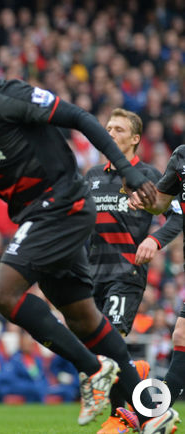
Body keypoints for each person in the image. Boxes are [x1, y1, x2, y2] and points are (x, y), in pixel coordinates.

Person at [0, 38, 178, 433]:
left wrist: (128, 171)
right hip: (39, 216)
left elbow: (80, 117)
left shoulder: (6, 97)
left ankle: (94, 370)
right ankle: (152, 413)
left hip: (62, 204)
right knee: (84, 319)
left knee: (2, 293)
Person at [86, 108, 182, 434]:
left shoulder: (149, 175)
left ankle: (124, 417)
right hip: (93, 274)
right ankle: (134, 373)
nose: (110, 134)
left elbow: (177, 215)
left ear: (135, 139)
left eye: (118, 129)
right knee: (100, 352)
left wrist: (154, 240)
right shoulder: (92, 176)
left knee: (110, 341)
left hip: (126, 272)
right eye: (108, 128)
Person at [128, 143, 185, 431]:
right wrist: (145, 200)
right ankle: (151, 415)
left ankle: (149, 414)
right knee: (182, 335)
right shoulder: (181, 156)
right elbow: (161, 204)